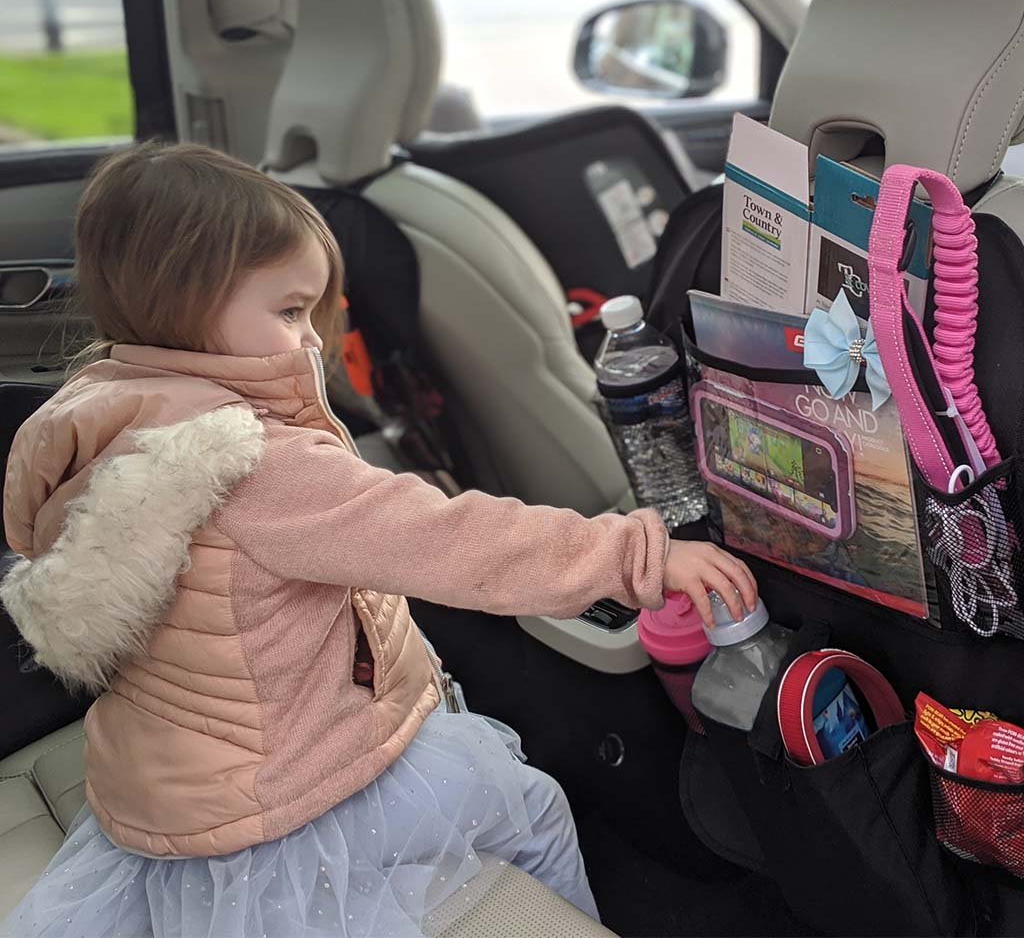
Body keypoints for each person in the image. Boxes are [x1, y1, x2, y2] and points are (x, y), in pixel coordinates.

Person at [0, 143, 756, 938]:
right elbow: (455, 540)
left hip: (171, 785)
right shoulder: (256, 469)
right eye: (289, 313)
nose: (312, 342)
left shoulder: (100, 418)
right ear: (183, 303)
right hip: (287, 797)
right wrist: (642, 556)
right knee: (531, 811)